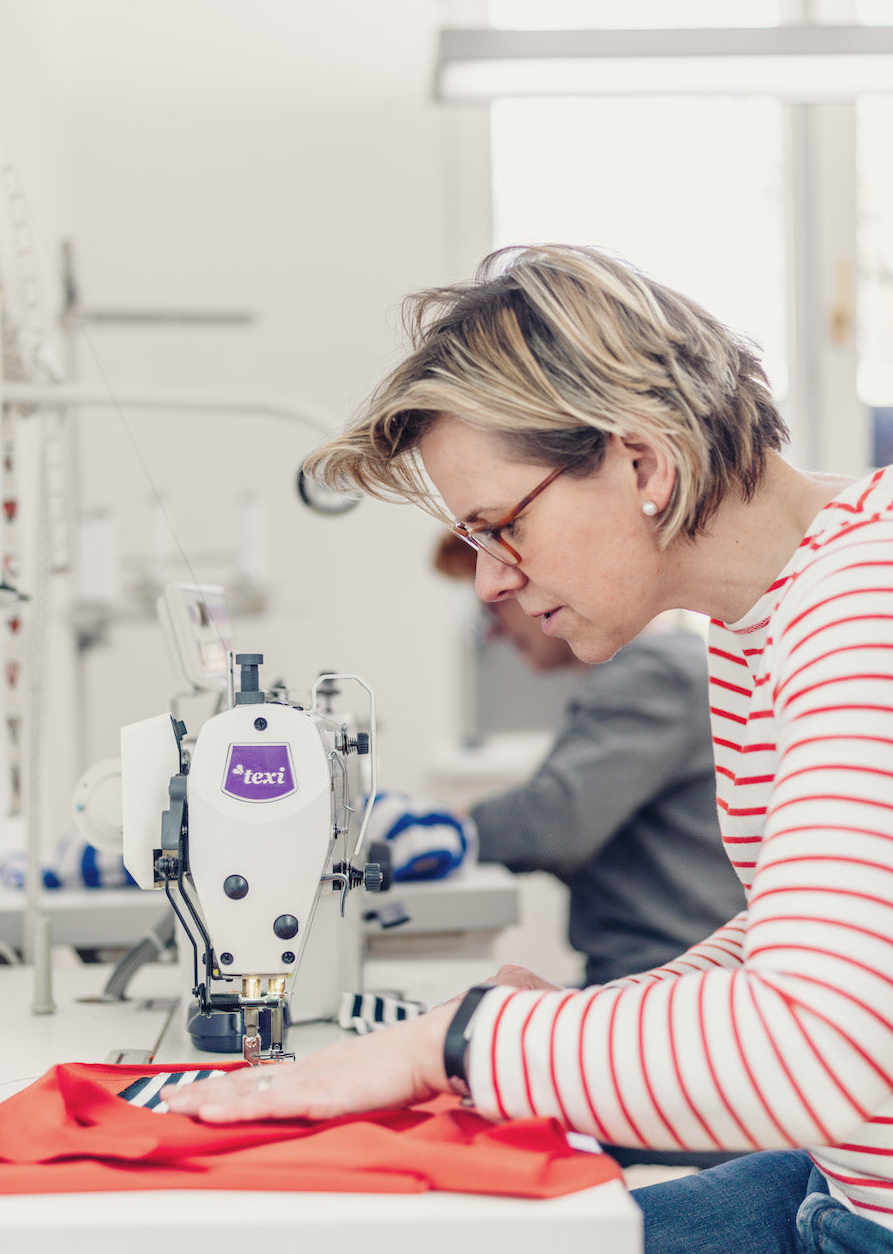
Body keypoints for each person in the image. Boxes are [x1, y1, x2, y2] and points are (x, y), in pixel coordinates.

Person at [164, 244, 893, 1252]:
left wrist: (451, 1043)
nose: (491, 584)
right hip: (840, 1177)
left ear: (642, 462)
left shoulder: (863, 608)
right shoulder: (765, 616)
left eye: (500, 528)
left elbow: (821, 1048)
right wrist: (589, 1022)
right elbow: (804, 943)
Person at [434, 532, 745, 989]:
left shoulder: (652, 673)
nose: (494, 630)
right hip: (667, 973)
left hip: (668, 980)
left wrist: (442, 830)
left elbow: (555, 821)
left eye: (496, 607)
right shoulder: (659, 668)